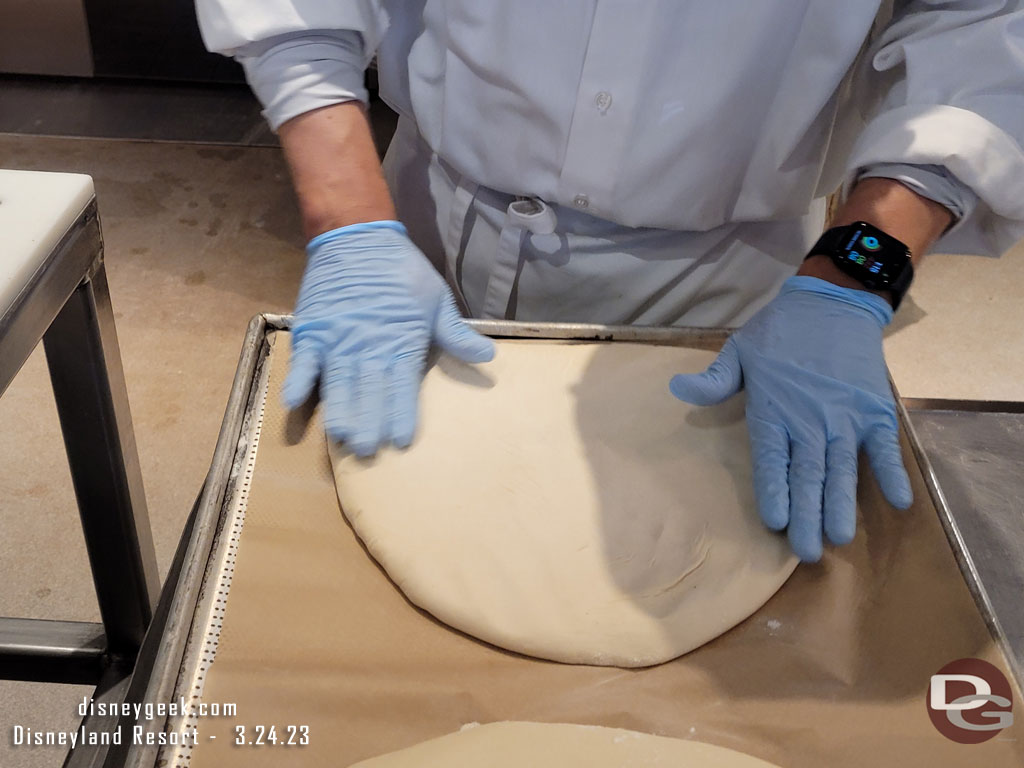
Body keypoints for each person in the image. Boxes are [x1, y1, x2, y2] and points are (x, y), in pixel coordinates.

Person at [196, 2, 1024, 562]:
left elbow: (983, 26)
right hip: (427, 220)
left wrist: (850, 284)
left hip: (724, 275)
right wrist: (350, 225)